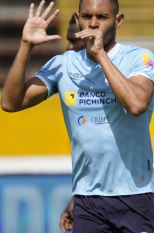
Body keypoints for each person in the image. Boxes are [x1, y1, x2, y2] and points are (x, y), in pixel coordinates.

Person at [1, 0, 154, 233]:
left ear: (118, 21)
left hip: (135, 194)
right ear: (78, 19)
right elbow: (10, 103)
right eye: (87, 17)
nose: (93, 23)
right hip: (88, 201)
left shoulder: (138, 58)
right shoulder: (62, 65)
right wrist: (25, 45)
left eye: (102, 17)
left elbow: (137, 104)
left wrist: (100, 55)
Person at [59, 14, 86, 233]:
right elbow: (9, 102)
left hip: (131, 200)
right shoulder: (70, 79)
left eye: (73, 41)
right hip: (92, 200)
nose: (68, 48)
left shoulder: (126, 70)